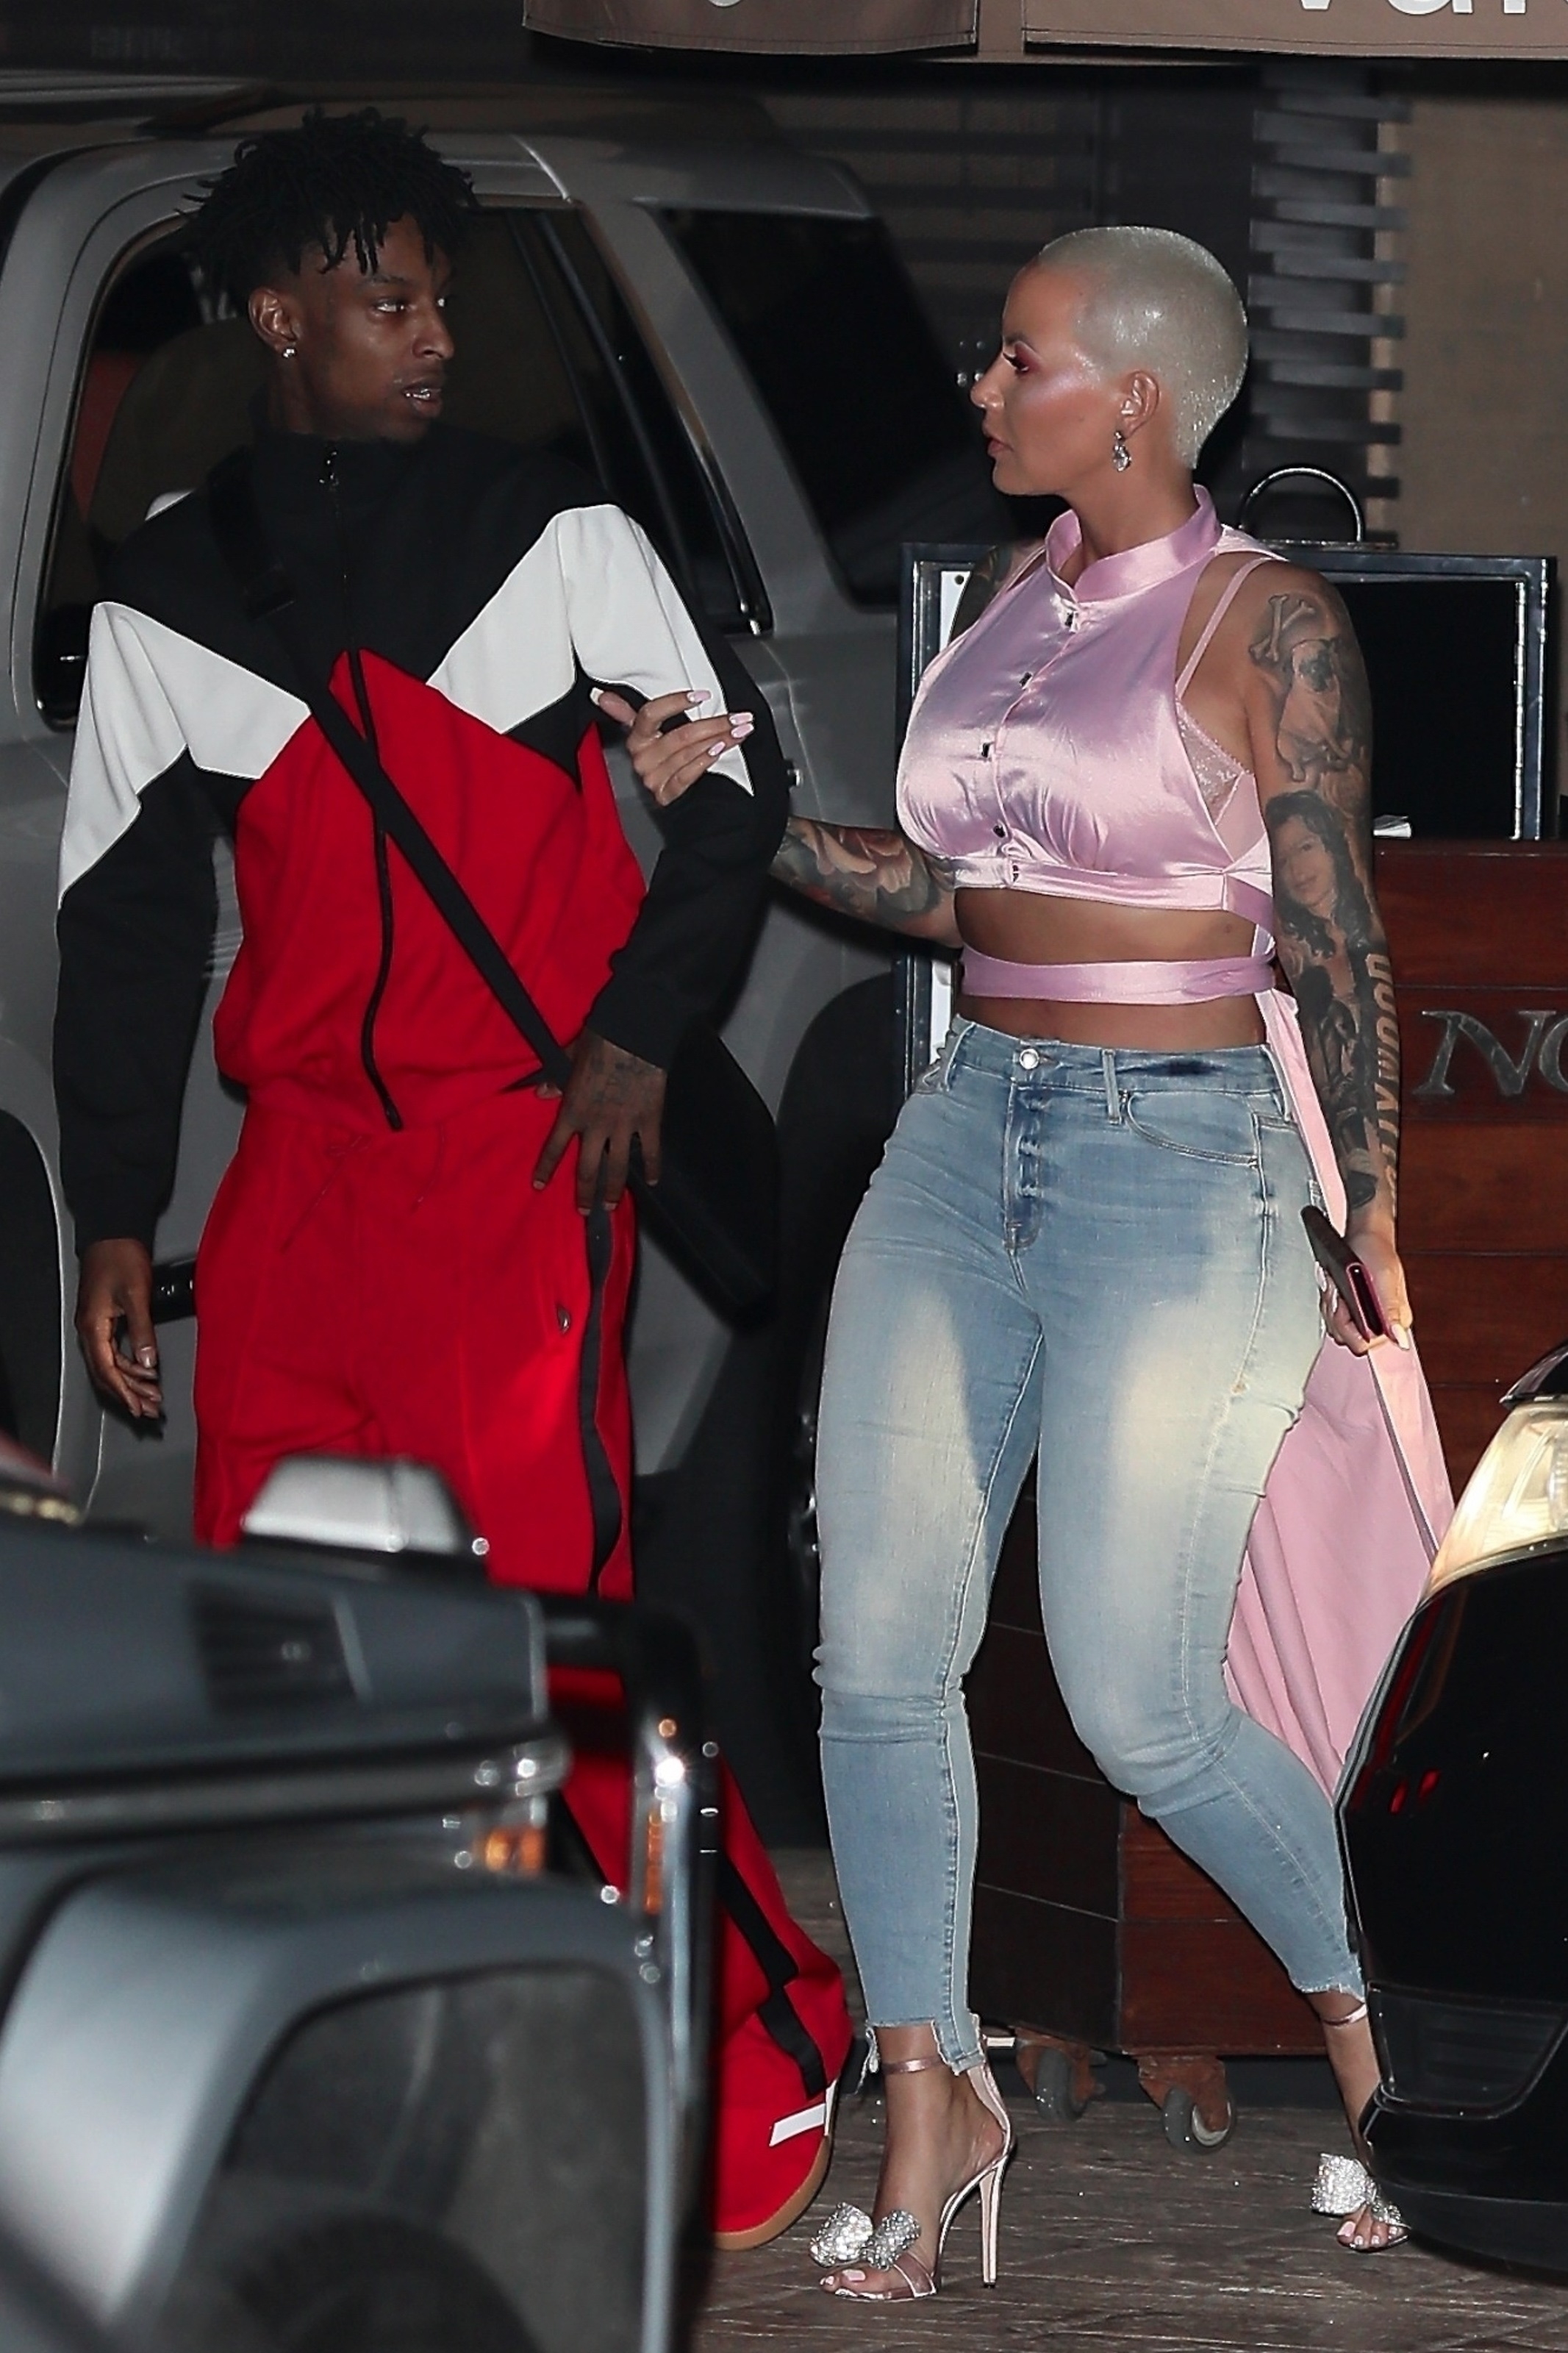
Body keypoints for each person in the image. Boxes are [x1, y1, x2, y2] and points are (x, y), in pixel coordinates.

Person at [609, 224, 1452, 2291]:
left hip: (1187, 1157)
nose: (981, 388)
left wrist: (1370, 1202)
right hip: (962, 1124)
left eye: (1020, 358)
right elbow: (952, 892)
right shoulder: (1011, 593)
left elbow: (1335, 931)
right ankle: (933, 2102)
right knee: (877, 1650)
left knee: (1140, 1700)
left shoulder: (1270, 623)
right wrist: (739, 807)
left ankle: (1387, 2043)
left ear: (1136, 396)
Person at [52, 108, 850, 2249]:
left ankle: (743, 2051)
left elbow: (728, 804)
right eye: (388, 300)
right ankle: (318, 2085)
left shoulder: (552, 531)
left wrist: (634, 1036)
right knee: (271, 1638)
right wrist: (118, 1207)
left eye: (439, 297)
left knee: (545, 1632)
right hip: (299, 1181)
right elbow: (125, 928)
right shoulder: (170, 590)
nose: (433, 335)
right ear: (276, 319)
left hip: (520, 1153)